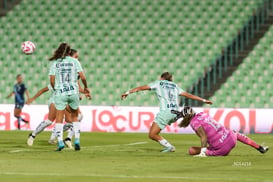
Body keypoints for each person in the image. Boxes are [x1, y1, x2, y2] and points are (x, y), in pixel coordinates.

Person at [121, 72, 212, 152]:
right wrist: (203, 100)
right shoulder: (175, 86)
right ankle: (170, 144)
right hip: (175, 113)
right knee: (154, 133)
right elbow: (188, 95)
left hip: (166, 112)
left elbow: (142, 88)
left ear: (162, 78)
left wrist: (128, 92)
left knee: (152, 134)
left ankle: (170, 147)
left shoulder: (158, 83)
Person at [27, 49, 90, 148]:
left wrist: (83, 93)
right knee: (49, 121)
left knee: (74, 120)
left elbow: (77, 86)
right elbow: (44, 89)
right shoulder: (60, 70)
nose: (77, 59)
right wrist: (32, 98)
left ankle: (60, 137)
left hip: (66, 97)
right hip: (56, 99)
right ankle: (33, 135)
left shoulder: (72, 70)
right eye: (76, 57)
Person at [175, 106, 269, 157]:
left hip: (222, 149)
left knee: (191, 150)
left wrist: (203, 152)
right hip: (231, 138)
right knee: (235, 133)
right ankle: (260, 147)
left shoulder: (194, 123)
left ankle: (206, 152)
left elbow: (204, 137)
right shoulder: (202, 114)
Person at [49, 43, 90, 151]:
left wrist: (56, 89)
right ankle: (76, 140)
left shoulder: (56, 62)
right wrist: (86, 87)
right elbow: (83, 77)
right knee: (75, 117)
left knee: (59, 119)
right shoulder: (75, 61)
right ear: (69, 51)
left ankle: (60, 142)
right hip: (73, 92)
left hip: (61, 93)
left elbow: (52, 80)